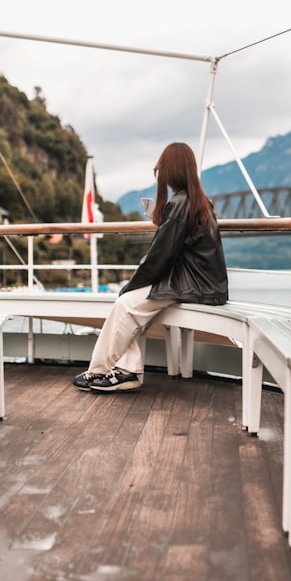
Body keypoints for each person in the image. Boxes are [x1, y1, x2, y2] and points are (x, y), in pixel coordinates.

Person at [73, 141, 229, 392]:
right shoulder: (196, 200)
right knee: (130, 304)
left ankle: (102, 370)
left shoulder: (179, 204)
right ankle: (126, 371)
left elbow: (159, 256)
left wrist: (130, 285)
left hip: (195, 285)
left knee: (126, 302)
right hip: (206, 284)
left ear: (171, 172)